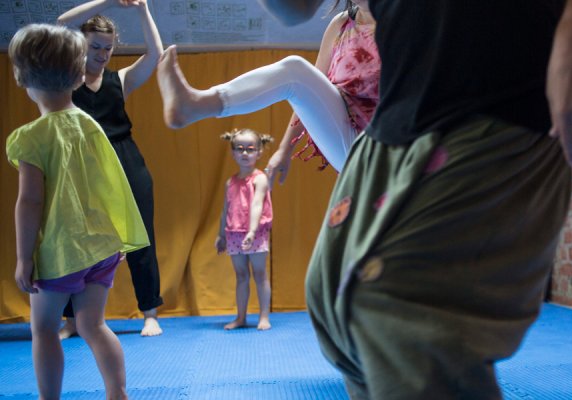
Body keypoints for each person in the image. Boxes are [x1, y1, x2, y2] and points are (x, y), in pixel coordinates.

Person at [254, 0, 572, 399]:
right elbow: (294, 10)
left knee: (401, 315)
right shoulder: (341, 24)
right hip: (392, 128)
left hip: (497, 105)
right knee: (333, 304)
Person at [6, 23, 149, 400]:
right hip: (102, 247)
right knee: (93, 324)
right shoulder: (90, 124)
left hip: (60, 252)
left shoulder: (31, 137)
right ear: (77, 72)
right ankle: (117, 393)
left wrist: (24, 258)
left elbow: (30, 202)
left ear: (22, 76)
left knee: (45, 329)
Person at [156, 0, 379, 175]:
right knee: (295, 69)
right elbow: (311, 94)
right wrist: (284, 150)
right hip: (349, 141)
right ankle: (195, 104)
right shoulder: (341, 26)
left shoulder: (404, 27)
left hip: (388, 146)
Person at [57, 0, 164, 338]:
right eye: (95, 47)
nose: (102, 53)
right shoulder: (66, 78)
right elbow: (60, 23)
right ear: (81, 46)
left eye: (108, 47)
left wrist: (142, 9)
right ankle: (72, 320)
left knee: (141, 240)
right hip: (84, 165)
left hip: (126, 159)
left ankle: (150, 313)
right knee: (78, 241)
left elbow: (156, 55)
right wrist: (108, 0)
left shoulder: (121, 79)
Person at [215, 129, 275, 331]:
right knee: (241, 276)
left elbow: (257, 204)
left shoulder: (260, 179)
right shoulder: (230, 182)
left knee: (259, 274)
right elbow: (226, 208)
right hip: (234, 233)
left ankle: (264, 316)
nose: (245, 153)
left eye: (250, 149)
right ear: (233, 153)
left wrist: (251, 231)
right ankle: (241, 317)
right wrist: (221, 235)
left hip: (255, 233)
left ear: (259, 152)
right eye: (240, 149)